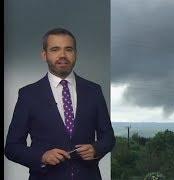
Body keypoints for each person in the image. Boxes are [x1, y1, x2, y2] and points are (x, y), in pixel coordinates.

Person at [4, 28, 116, 180]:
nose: (62, 55)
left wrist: (96, 149)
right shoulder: (28, 95)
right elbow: (11, 147)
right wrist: (42, 157)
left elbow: (108, 137)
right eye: (55, 49)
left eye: (68, 49)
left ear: (75, 54)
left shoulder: (94, 91)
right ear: (44, 55)